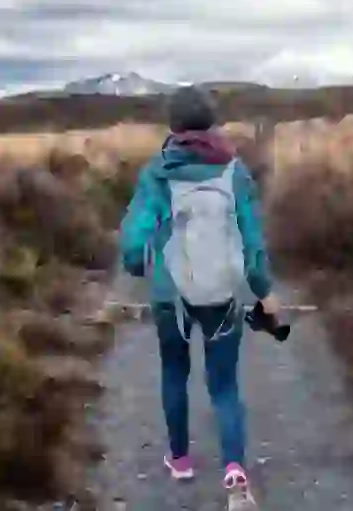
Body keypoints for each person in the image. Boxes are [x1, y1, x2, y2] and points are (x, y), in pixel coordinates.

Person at [118, 85, 279, 505]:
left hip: (169, 294)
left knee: (175, 372)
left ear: (172, 126)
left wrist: (140, 269)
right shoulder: (234, 171)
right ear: (212, 123)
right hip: (222, 292)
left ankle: (180, 459)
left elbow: (134, 241)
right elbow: (251, 240)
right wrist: (263, 290)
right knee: (224, 385)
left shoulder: (157, 171)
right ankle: (234, 469)